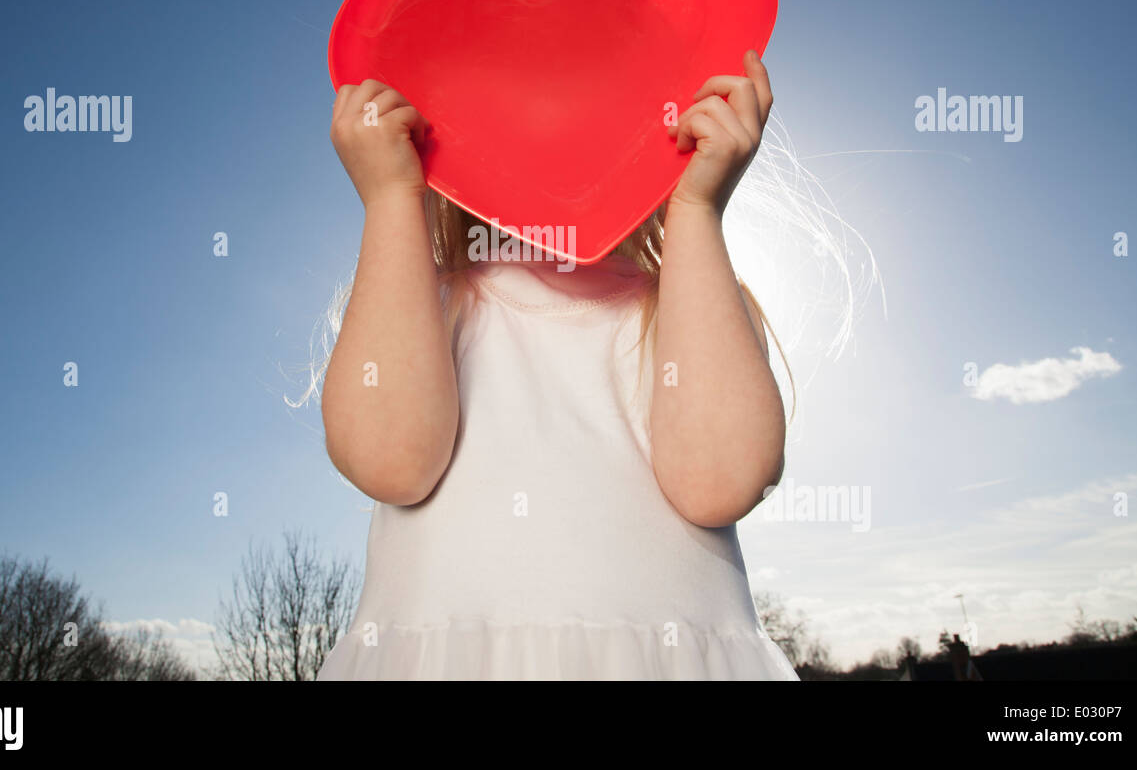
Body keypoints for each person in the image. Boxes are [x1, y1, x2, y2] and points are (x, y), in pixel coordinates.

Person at [315, 49, 797, 679]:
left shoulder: (687, 305)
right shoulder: (426, 307)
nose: (550, 129)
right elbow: (389, 461)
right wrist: (390, 199)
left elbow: (724, 482)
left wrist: (697, 210)